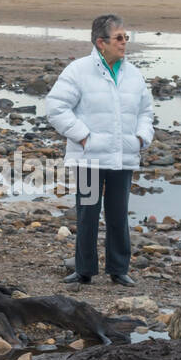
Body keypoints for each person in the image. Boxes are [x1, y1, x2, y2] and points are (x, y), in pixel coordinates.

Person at [47, 14, 154, 287]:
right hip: (90, 157)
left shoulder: (133, 74)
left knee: (119, 214)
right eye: (119, 38)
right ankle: (84, 271)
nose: (124, 43)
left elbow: (146, 111)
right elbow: (56, 108)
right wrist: (83, 137)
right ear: (101, 42)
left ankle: (119, 270)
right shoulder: (78, 70)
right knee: (88, 213)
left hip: (124, 156)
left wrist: (142, 138)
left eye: (125, 37)